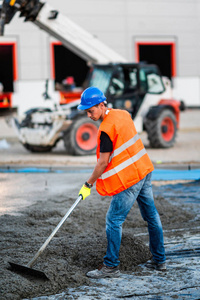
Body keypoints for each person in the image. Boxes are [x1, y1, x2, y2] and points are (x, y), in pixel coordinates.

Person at [78, 86, 166, 279]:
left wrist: (88, 184)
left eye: (91, 110)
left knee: (113, 220)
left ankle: (110, 266)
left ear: (101, 105)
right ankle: (160, 261)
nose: (88, 115)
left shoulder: (105, 129)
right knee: (151, 217)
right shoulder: (124, 114)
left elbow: (102, 163)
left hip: (130, 180)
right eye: (86, 111)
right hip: (144, 170)